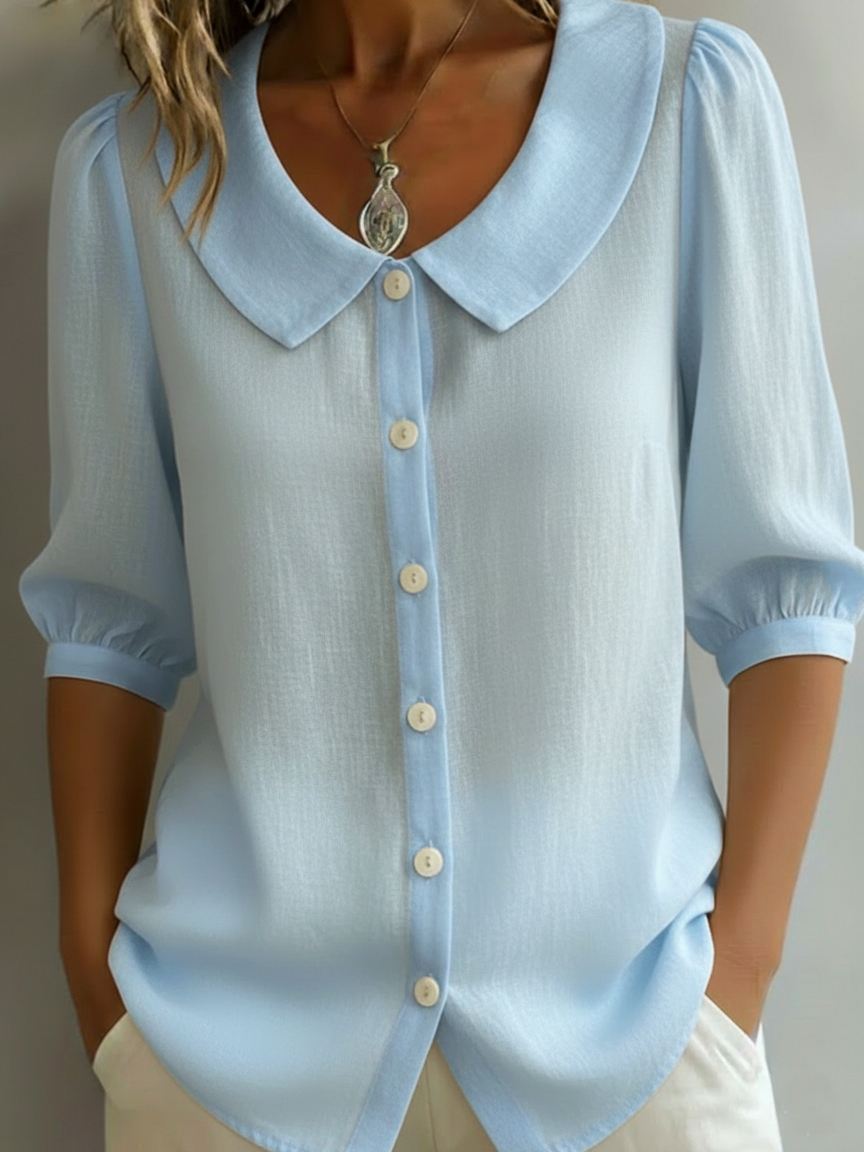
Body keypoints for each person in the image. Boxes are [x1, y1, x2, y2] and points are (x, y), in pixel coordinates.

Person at [17, 0, 864, 1149]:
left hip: (635, 1063)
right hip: (233, 1078)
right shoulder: (140, 169)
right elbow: (110, 622)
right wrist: (103, 995)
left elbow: (788, 582)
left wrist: (736, 979)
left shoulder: (680, 108)